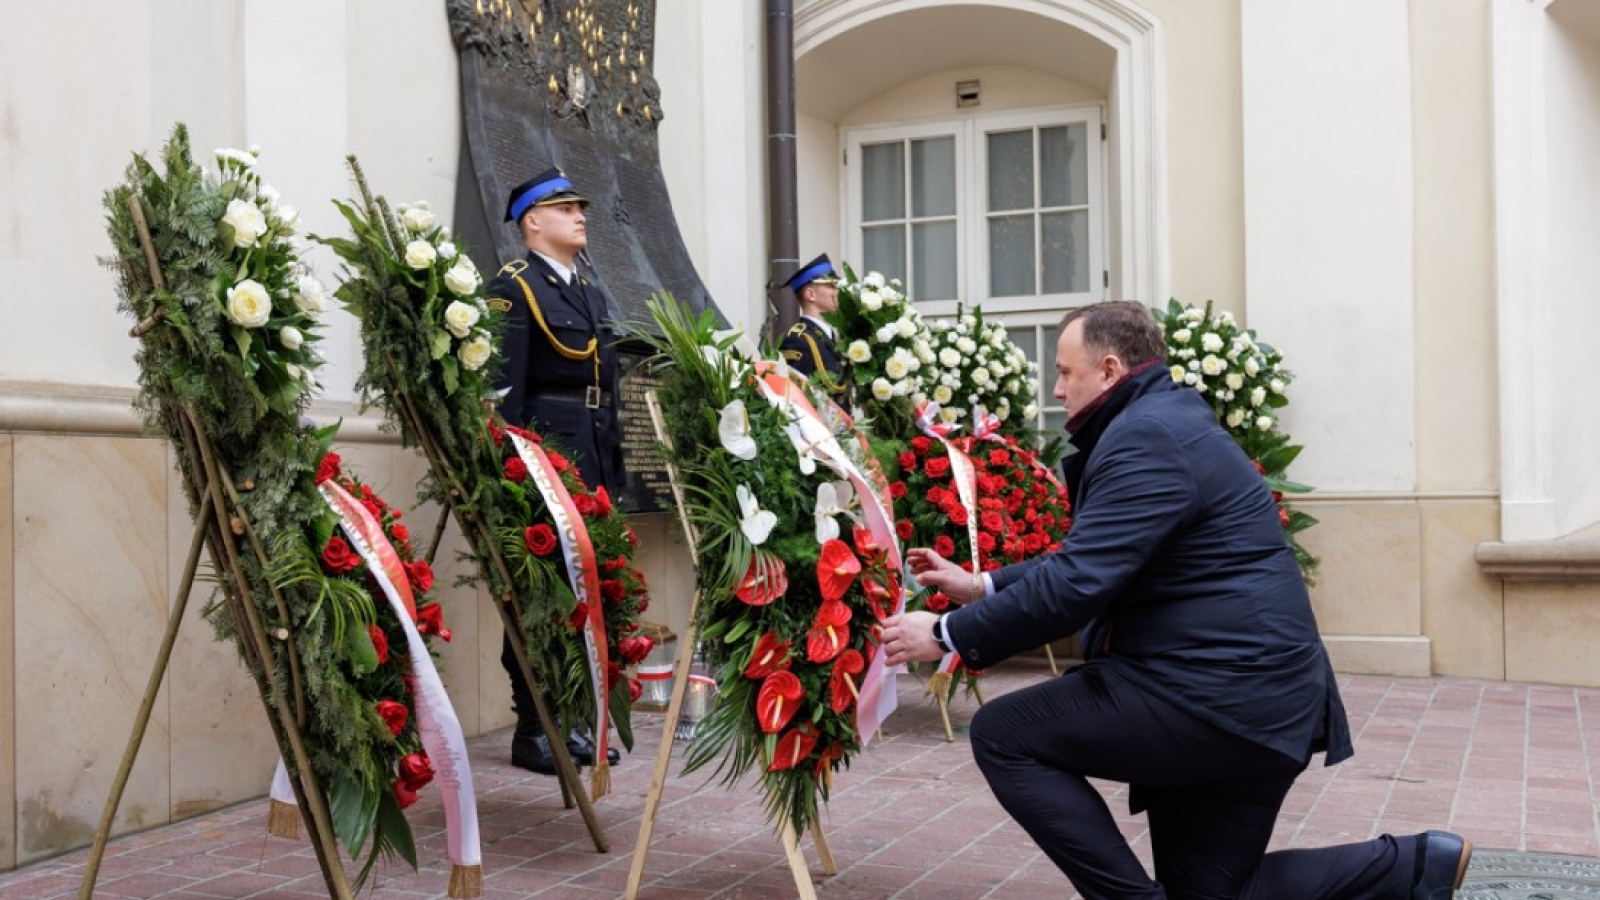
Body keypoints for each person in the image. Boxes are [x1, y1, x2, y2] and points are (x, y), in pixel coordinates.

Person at [881, 300, 1471, 900]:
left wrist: (945, 635)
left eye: (1064, 372)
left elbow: (1080, 580)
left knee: (1006, 733)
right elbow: (1095, 557)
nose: (1056, 390)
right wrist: (980, 585)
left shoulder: (1147, 436)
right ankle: (1416, 866)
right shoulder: (1159, 421)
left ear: (1109, 369)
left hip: (1219, 694)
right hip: (1250, 696)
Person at [487, 166, 625, 775]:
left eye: (580, 207)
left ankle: (570, 720)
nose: (580, 215)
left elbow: (605, 387)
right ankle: (532, 728)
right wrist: (512, 471)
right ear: (532, 222)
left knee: (582, 592)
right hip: (544, 458)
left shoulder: (588, 291)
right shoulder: (514, 287)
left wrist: (612, 468)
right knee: (542, 593)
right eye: (565, 208)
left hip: (588, 454)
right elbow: (507, 392)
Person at [777, 253, 849, 405]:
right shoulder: (798, 340)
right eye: (831, 286)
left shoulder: (835, 338)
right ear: (811, 294)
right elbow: (798, 399)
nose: (836, 292)